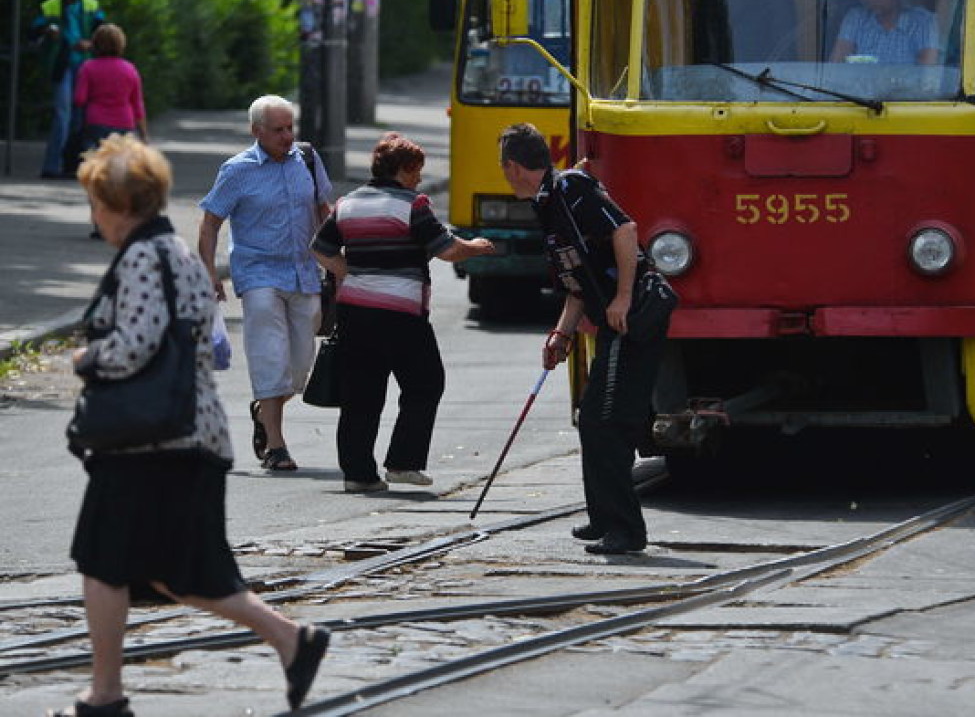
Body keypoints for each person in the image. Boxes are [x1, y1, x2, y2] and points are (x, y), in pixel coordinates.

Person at [59, 134, 328, 717]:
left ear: (120, 204)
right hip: (187, 437)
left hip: (150, 441)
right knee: (183, 571)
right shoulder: (175, 252)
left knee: (104, 559)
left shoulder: (142, 257)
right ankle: (292, 640)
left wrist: (85, 359)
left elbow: (134, 344)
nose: (93, 214)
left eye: (96, 202)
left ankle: (104, 696)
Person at [499, 122, 671, 556]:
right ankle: (602, 517)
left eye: (503, 166)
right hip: (608, 317)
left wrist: (624, 297)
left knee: (606, 420)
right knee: (593, 418)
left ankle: (626, 530)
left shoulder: (571, 187)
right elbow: (577, 281)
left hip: (632, 317)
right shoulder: (546, 203)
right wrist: (562, 332)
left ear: (513, 166)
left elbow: (626, 231)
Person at [310, 133, 496, 493]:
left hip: (355, 312)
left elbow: (320, 249)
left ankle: (358, 474)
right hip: (401, 314)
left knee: (361, 394)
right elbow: (447, 251)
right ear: (403, 170)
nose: (420, 178)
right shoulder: (413, 205)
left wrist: (351, 274)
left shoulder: (348, 204)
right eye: (417, 171)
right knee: (426, 383)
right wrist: (475, 247)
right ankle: (403, 462)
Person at [198, 95, 332, 474]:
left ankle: (263, 410)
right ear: (256, 132)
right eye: (278, 130)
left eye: (290, 127)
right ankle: (276, 446)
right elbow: (209, 224)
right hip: (257, 274)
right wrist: (209, 273)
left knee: (300, 364)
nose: (287, 136)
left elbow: (325, 209)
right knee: (270, 354)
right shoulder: (237, 170)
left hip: (305, 271)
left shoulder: (307, 159)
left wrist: (336, 259)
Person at [31, 0, 106, 178]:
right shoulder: (50, 6)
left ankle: (72, 164)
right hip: (61, 65)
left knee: (79, 116)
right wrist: (47, 31)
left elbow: (104, 34)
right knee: (62, 115)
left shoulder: (91, 5)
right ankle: (52, 165)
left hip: (85, 66)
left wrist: (90, 44)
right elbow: (33, 31)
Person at [74, 24, 148, 149]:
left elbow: (79, 99)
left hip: (95, 123)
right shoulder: (130, 69)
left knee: (96, 162)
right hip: (124, 123)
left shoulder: (88, 67)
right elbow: (137, 105)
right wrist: (143, 135)